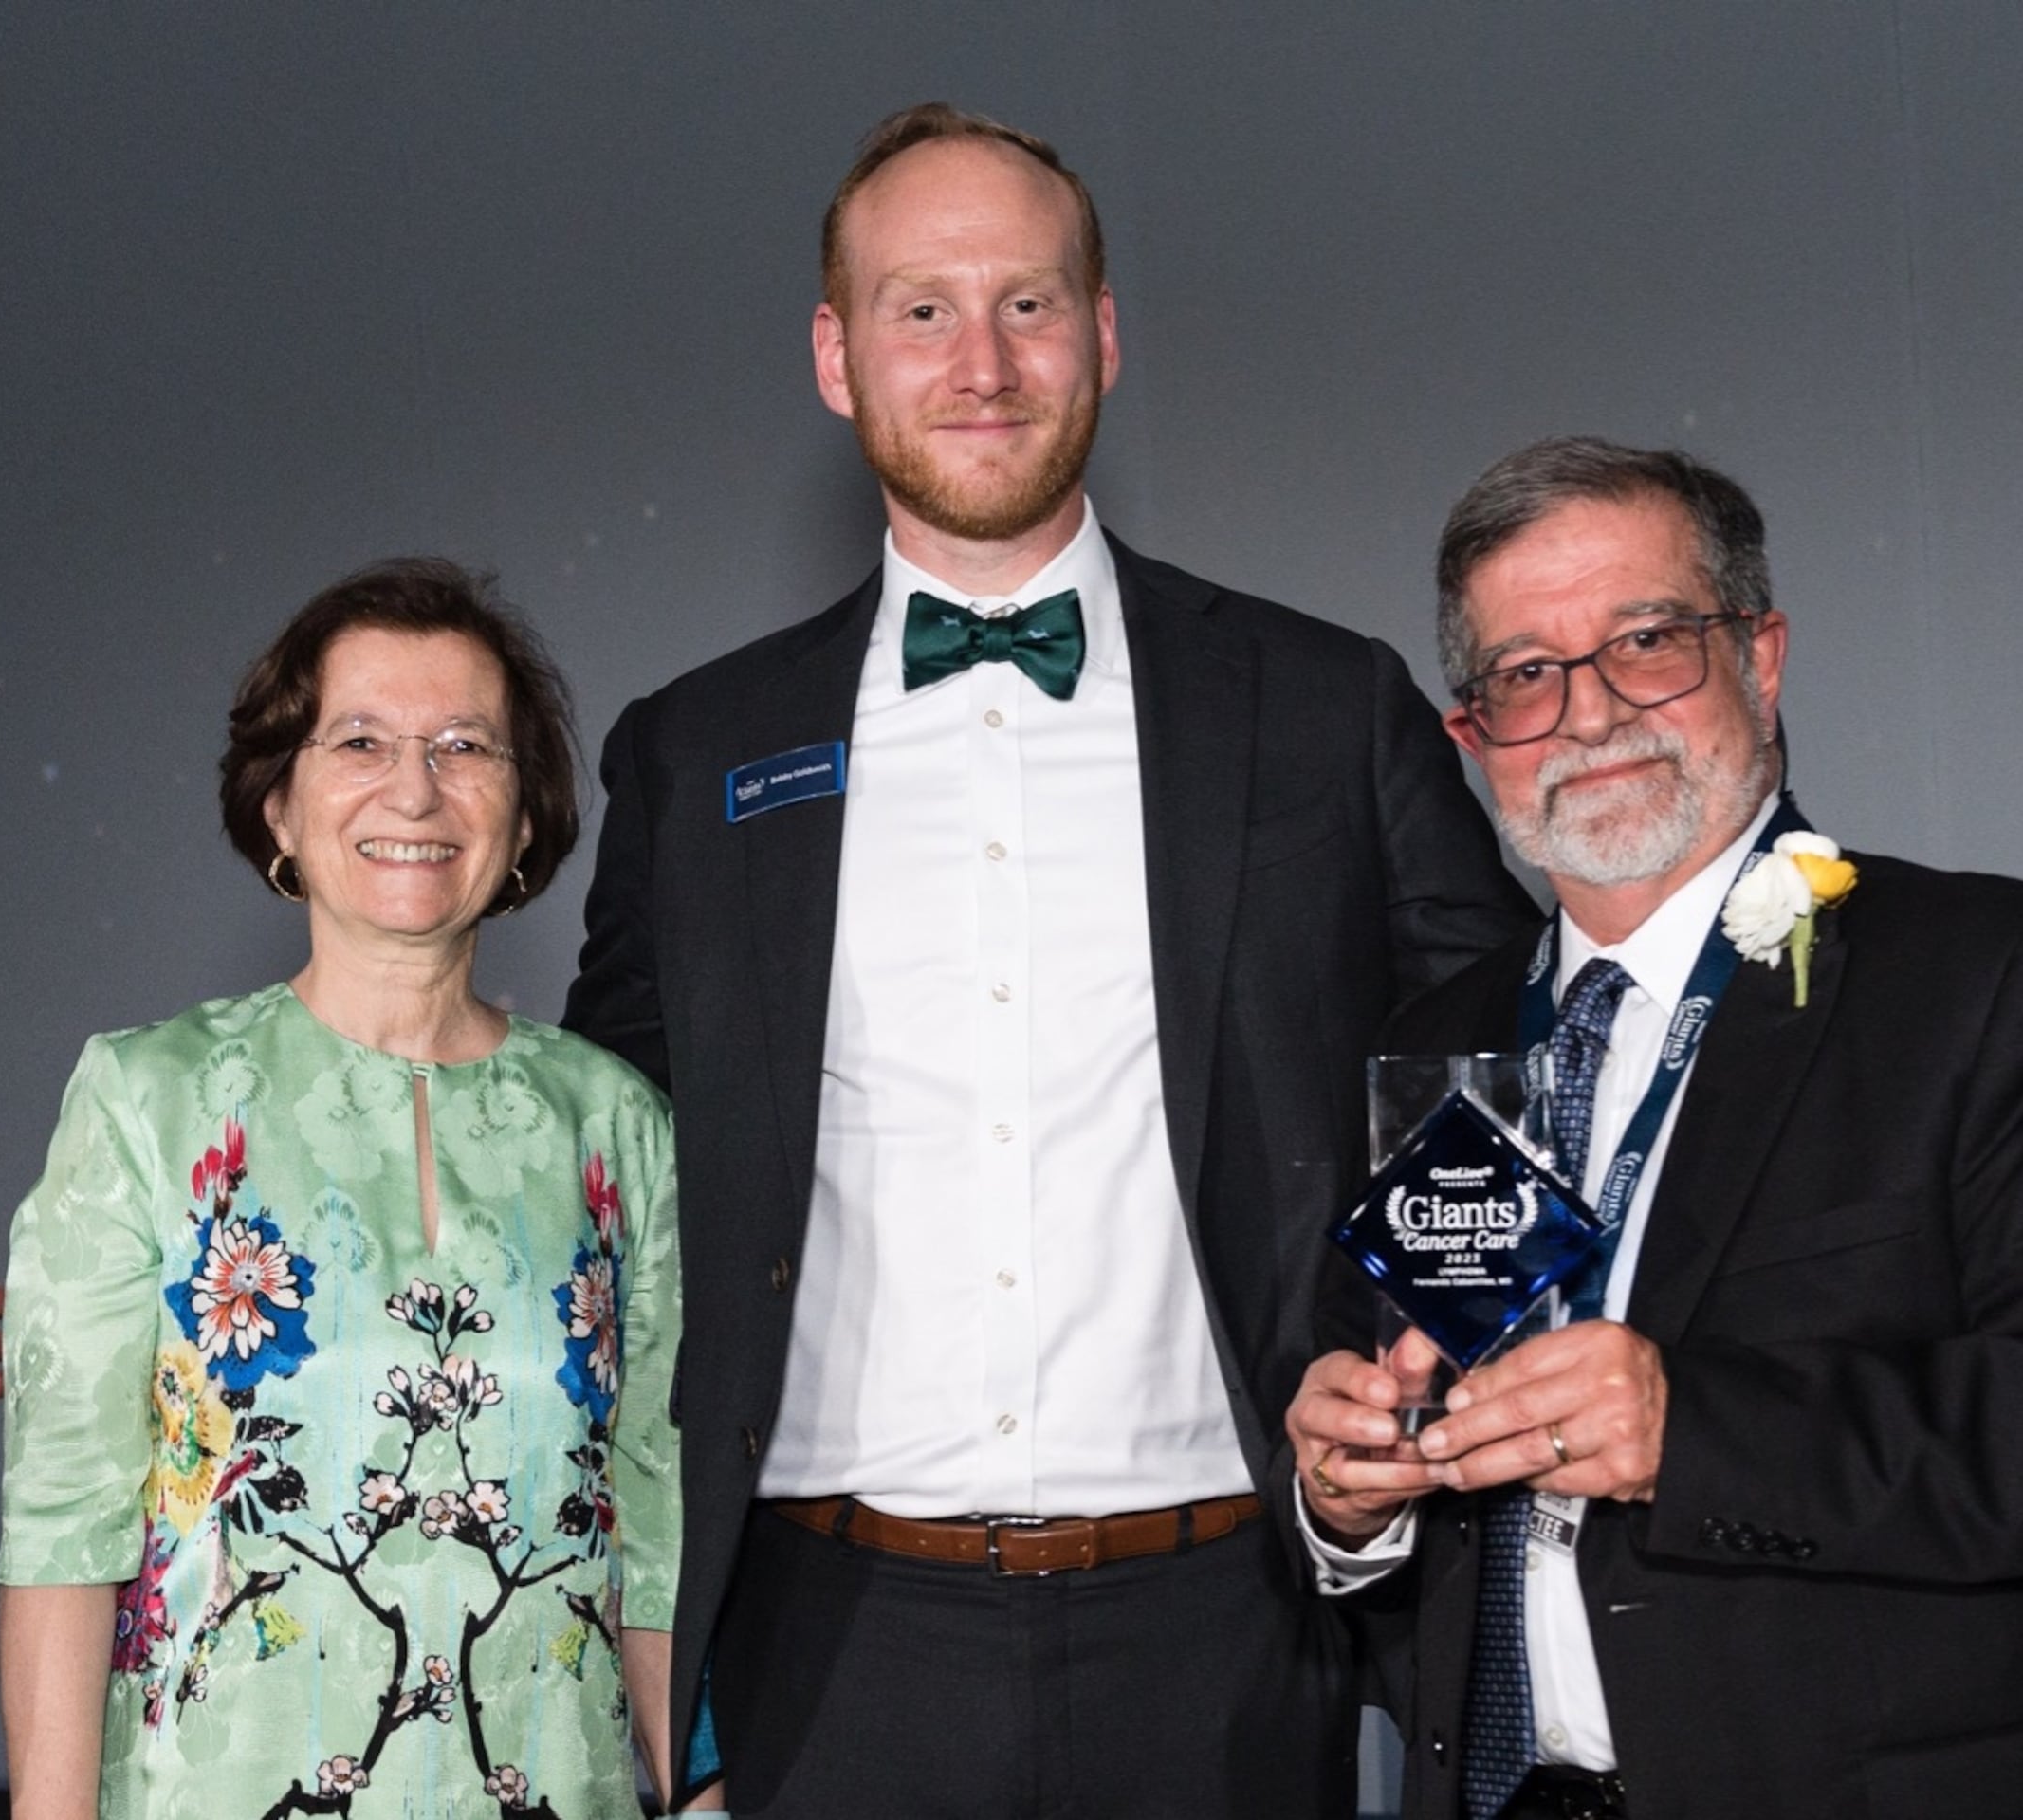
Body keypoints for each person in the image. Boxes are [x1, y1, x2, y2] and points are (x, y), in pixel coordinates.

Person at [558, 104, 1533, 1816]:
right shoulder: (696, 752)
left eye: (1028, 302)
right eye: (919, 307)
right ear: (835, 357)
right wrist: (213, 1284)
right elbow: (585, 1154)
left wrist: (1401, 1399)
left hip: (1239, 1625)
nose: (981, 360)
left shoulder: (1322, 708)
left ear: (1103, 334)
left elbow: (1498, 1081)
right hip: (825, 1647)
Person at [1283, 438, 2023, 1820]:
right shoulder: (1439, 1042)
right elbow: (1396, 1440)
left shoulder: (1990, 976)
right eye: (1525, 672)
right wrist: (1349, 1506)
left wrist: (1699, 1429)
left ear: (1764, 655)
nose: (1590, 711)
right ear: (1472, 734)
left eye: (1646, 640)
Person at [0, 560, 688, 1819]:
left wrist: (698, 1798)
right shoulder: (145, 1103)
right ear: (279, 803)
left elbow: (655, 1529)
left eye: (465, 745)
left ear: (524, 815)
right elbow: (64, 1532)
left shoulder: (617, 1127)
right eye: (360, 739)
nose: (414, 788)